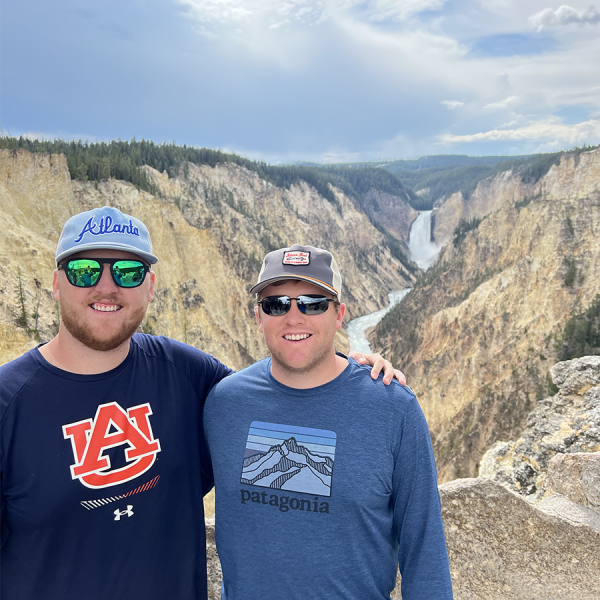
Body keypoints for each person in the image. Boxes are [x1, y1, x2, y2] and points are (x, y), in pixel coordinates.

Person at [0, 206, 404, 600]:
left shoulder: (184, 372)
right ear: (56, 283)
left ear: (151, 286)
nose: (107, 287)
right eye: (84, 270)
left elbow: (276, 402)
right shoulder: (9, 402)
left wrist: (342, 373)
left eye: (127, 272)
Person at [204, 244, 453, 600]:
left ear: (339, 315)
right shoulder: (225, 403)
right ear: (259, 317)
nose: (294, 317)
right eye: (276, 304)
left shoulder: (393, 408)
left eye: (313, 303)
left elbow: (424, 548)